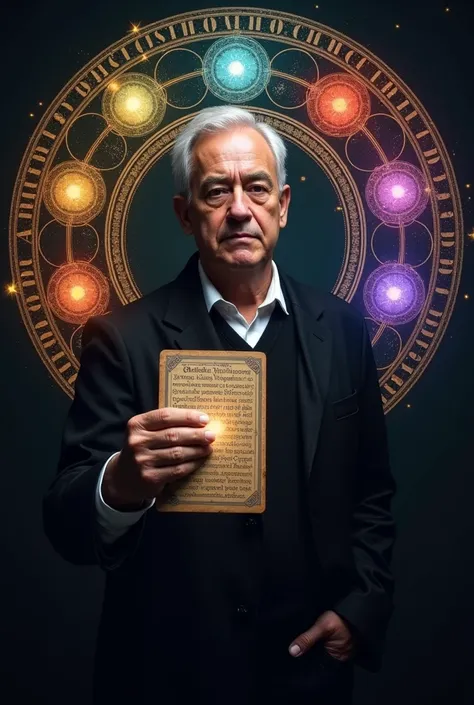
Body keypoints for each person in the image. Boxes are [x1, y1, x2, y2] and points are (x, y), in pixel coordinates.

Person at [43, 105, 396, 705]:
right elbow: (66, 524)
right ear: (185, 213)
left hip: (307, 678)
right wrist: (122, 481)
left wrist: (360, 610)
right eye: (215, 192)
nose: (239, 209)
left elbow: (372, 492)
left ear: (282, 204)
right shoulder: (121, 337)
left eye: (256, 188)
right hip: (166, 675)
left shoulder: (340, 328)